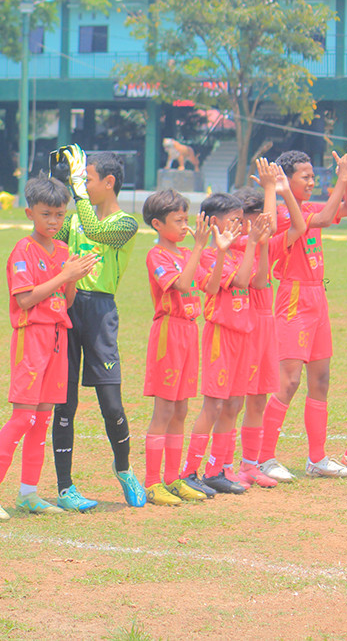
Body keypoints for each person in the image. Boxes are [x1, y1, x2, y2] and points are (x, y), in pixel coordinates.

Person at [0, 177, 95, 520]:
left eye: (59, 214)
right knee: (23, 416)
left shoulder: (65, 252)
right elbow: (25, 299)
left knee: (42, 418)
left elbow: (66, 301)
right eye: (46, 214)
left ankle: (28, 493)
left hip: (58, 337)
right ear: (30, 213)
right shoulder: (23, 251)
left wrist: (73, 276)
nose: (54, 221)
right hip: (33, 337)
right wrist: (63, 275)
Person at [50, 145, 144, 511]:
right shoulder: (73, 221)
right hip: (68, 308)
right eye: (80, 178)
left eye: (86, 179)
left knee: (111, 403)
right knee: (64, 402)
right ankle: (65, 487)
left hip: (101, 312)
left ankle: (124, 469)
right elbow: (52, 250)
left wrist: (76, 194)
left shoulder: (125, 224)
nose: (82, 184)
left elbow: (93, 227)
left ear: (108, 182)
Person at [257, 149, 347, 480]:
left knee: (321, 379)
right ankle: (264, 457)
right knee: (288, 381)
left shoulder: (311, 206)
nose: (312, 181)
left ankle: (316, 458)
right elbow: (324, 216)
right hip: (295, 297)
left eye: (314, 175)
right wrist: (341, 178)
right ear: (288, 179)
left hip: (318, 296)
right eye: (306, 176)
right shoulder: (288, 214)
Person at [179, 194, 268, 496]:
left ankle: (216, 470)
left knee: (234, 403)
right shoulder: (210, 254)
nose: (241, 225)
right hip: (221, 333)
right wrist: (249, 244)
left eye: (242, 219)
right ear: (214, 221)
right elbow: (239, 282)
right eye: (234, 219)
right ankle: (190, 470)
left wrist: (260, 243)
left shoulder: (237, 251)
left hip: (244, 333)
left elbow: (258, 281)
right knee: (214, 404)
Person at [230, 158, 306, 487]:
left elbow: (298, 228)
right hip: (241, 325)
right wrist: (269, 188)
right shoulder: (235, 247)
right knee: (233, 398)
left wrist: (273, 191)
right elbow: (271, 226)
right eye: (249, 222)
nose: (256, 227)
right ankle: (220, 465)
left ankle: (250, 463)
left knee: (259, 396)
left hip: (266, 323)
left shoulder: (267, 245)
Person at [139, 189, 209, 505]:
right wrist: (197, 248)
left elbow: (212, 283)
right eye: (177, 220)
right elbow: (181, 285)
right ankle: (153, 482)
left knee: (181, 407)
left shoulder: (185, 253)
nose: (184, 226)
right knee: (165, 408)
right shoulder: (158, 255)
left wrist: (218, 251)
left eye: (186, 219)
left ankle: (173, 479)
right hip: (169, 331)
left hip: (190, 331)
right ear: (157, 223)